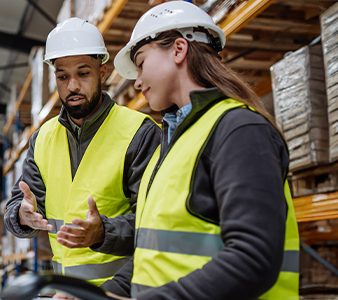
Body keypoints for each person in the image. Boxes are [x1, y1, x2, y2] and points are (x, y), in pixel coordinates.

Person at [96, 2, 300, 299]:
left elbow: (253, 258)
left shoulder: (239, 130)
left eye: (141, 63)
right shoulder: (172, 144)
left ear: (179, 49)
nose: (137, 81)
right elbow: (151, 256)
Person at [3, 17, 161, 292]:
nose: (72, 86)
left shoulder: (139, 133)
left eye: (83, 73)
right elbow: (18, 204)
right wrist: (21, 215)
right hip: (66, 292)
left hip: (124, 292)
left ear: (103, 73)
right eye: (62, 76)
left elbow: (156, 222)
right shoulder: (42, 139)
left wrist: (103, 232)